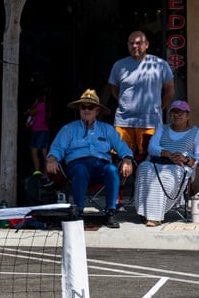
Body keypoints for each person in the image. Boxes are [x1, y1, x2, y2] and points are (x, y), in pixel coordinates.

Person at [45, 89, 134, 228]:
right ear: (79, 109)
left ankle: (111, 212)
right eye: (83, 107)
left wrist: (127, 160)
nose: (86, 110)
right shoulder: (68, 129)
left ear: (97, 110)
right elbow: (57, 148)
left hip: (101, 168)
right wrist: (51, 158)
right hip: (77, 167)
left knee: (112, 169)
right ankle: (78, 212)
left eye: (90, 107)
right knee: (80, 169)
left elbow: (124, 148)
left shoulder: (108, 129)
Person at [107, 31, 175, 159]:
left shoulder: (160, 65)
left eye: (138, 43)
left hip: (150, 123)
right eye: (131, 43)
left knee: (150, 160)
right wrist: (126, 105)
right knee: (122, 162)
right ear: (127, 45)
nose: (134, 46)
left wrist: (159, 108)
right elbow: (115, 91)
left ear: (147, 45)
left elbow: (170, 91)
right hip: (124, 123)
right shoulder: (119, 65)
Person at [135, 101, 197, 226]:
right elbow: (152, 147)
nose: (177, 115)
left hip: (180, 166)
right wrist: (168, 154)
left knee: (166, 175)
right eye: (174, 112)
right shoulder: (162, 128)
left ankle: (155, 216)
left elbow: (197, 156)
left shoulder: (196, 132)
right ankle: (144, 211)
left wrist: (184, 158)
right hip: (158, 160)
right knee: (143, 168)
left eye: (181, 112)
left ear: (188, 115)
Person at [26, 86, 51, 175]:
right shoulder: (48, 107)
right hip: (45, 131)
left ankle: (37, 172)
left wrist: (35, 103)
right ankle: (46, 173)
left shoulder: (40, 105)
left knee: (34, 152)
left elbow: (31, 112)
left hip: (38, 131)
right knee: (44, 153)